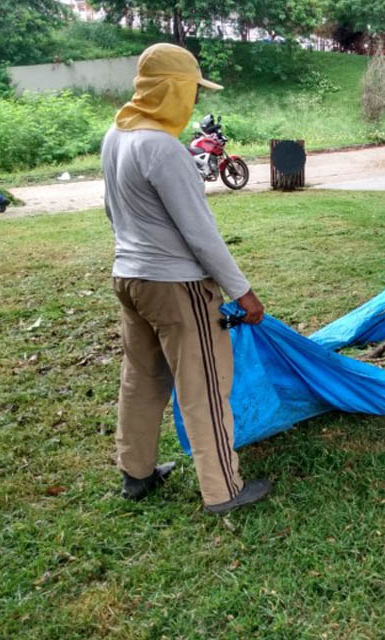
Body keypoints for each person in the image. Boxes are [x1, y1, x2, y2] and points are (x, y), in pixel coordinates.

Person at [101, 43, 271, 513]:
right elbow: (201, 234)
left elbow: (112, 209)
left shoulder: (117, 134)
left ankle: (136, 473)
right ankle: (224, 489)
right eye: (193, 90)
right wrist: (243, 292)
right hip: (176, 287)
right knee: (205, 389)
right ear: (173, 89)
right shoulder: (163, 149)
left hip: (129, 277)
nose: (195, 101)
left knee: (141, 379)